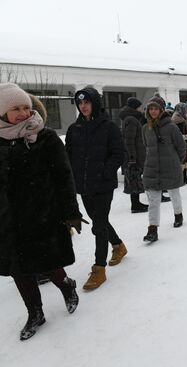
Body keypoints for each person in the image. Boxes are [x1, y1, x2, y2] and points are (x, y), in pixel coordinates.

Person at [0, 83, 85, 340]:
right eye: (16, 109)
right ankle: (35, 312)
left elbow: (63, 176)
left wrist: (71, 211)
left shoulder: (45, 138)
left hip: (42, 215)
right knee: (19, 270)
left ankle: (66, 285)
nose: (24, 113)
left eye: (26, 107)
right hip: (7, 220)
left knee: (47, 263)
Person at [65, 87, 127, 290]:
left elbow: (119, 153)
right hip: (83, 186)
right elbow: (68, 157)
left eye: (87, 102)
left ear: (95, 103)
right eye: (80, 103)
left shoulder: (108, 127)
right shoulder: (74, 129)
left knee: (98, 225)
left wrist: (105, 172)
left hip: (103, 185)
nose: (83, 106)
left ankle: (99, 268)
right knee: (99, 220)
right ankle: (118, 245)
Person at [142, 95, 187, 242]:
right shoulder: (145, 128)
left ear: (161, 110)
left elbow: (181, 146)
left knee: (174, 193)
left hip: (170, 166)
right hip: (152, 168)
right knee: (153, 201)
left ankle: (178, 214)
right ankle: (152, 229)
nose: (153, 112)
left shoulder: (171, 127)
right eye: (151, 109)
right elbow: (146, 147)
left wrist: (178, 161)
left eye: (156, 109)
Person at [120, 97, 148, 213]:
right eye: (140, 107)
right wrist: (132, 157)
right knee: (134, 180)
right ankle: (135, 205)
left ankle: (136, 203)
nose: (142, 109)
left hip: (134, 155)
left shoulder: (132, 119)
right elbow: (129, 140)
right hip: (133, 157)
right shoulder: (131, 120)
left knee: (135, 180)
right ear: (135, 108)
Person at [172, 102, 187, 184]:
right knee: (181, 161)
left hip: (186, 143)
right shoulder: (176, 118)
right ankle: (180, 179)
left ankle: (184, 177)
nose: (185, 110)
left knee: (185, 161)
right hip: (180, 144)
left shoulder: (183, 117)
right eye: (184, 108)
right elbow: (178, 134)